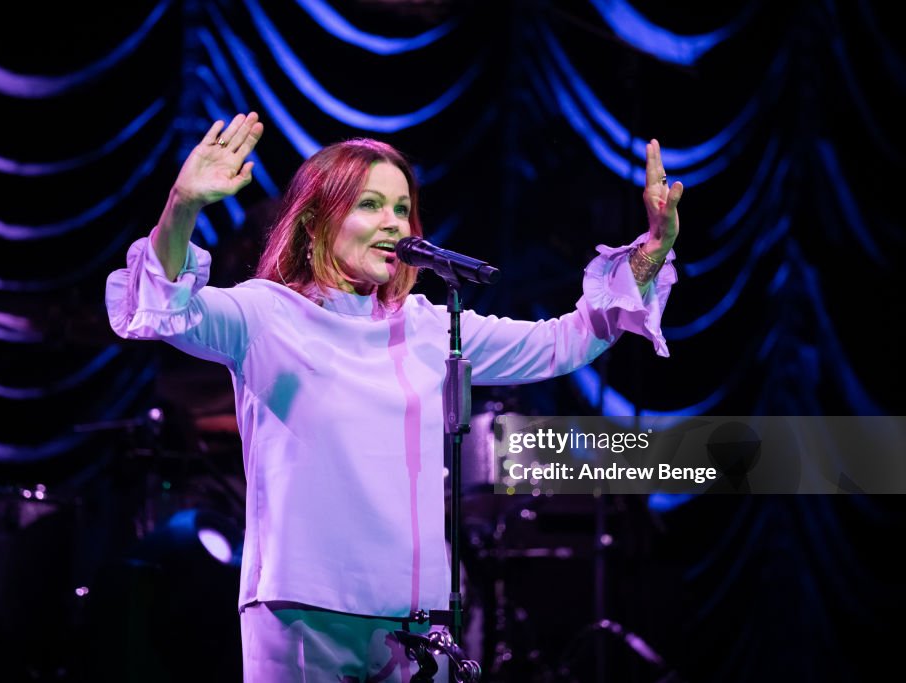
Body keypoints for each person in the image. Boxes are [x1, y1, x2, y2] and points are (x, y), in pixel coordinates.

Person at [106, 111, 682, 682]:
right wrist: (182, 207)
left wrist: (653, 248)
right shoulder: (265, 313)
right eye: (370, 205)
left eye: (402, 209)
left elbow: (563, 342)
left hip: (412, 622)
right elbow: (164, 310)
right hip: (305, 608)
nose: (394, 224)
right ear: (314, 222)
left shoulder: (430, 325)